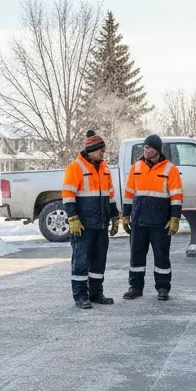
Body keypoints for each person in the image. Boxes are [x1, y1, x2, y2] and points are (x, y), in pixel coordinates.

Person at [62, 130, 120, 309]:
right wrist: (73, 218)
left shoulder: (104, 168)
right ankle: (80, 296)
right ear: (92, 150)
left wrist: (114, 216)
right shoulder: (76, 167)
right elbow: (68, 195)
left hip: (101, 224)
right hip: (83, 224)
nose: (104, 154)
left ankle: (96, 294)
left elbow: (110, 195)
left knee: (99, 260)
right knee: (81, 260)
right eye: (101, 150)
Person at [121, 134, 183, 302]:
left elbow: (176, 196)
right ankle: (135, 287)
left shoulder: (170, 169)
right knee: (136, 256)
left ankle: (163, 288)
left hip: (160, 223)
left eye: (148, 147)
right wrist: (126, 215)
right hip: (139, 221)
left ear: (156, 150)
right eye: (144, 147)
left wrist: (175, 218)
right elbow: (128, 193)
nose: (145, 150)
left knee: (161, 256)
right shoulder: (136, 167)